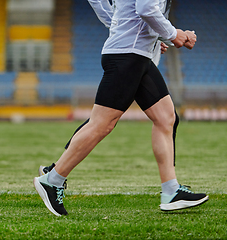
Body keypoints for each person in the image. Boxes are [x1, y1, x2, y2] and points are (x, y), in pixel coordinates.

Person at [33, 0, 209, 217]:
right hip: (128, 55)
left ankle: (171, 191)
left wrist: (160, 35)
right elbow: (145, 8)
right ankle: (53, 179)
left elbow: (130, 12)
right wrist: (173, 34)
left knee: (166, 117)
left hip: (137, 54)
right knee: (102, 124)